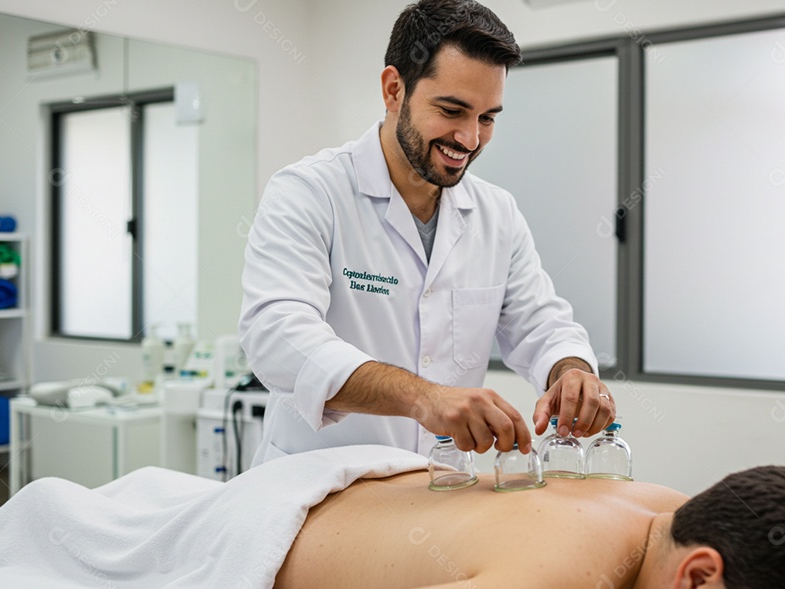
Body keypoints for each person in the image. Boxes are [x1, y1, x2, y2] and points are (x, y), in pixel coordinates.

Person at [239, 0, 615, 466]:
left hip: (441, 485)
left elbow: (542, 324)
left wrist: (571, 371)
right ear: (394, 89)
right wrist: (424, 399)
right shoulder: (310, 193)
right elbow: (276, 336)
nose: (470, 138)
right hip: (319, 484)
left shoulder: (496, 214)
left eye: (488, 117)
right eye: (452, 110)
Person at [275, 465, 785, 588]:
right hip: (266, 527)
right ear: (697, 578)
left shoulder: (675, 511)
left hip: (357, 480)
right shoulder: (557, 575)